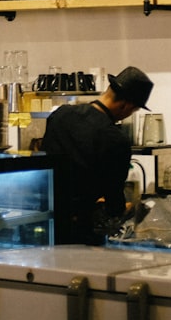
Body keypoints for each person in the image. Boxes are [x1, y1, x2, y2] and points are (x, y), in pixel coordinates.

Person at [41, 66, 154, 245]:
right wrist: (126, 208)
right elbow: (114, 202)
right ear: (126, 106)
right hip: (81, 230)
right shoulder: (115, 139)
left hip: (45, 220)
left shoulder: (60, 115)